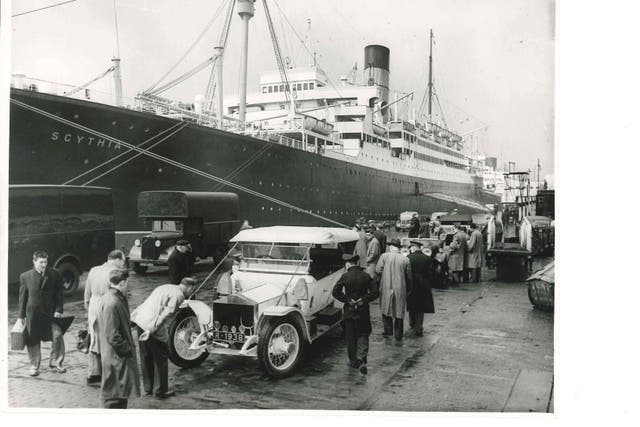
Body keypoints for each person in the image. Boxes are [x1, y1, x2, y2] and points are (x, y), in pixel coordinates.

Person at [131, 277, 197, 399]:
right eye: (193, 290)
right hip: (151, 324)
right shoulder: (178, 295)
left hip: (140, 319)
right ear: (189, 287)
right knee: (161, 356)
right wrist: (153, 329)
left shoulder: (165, 286)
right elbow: (167, 314)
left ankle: (148, 388)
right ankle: (160, 391)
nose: (192, 293)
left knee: (146, 355)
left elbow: (148, 302)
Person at [17, 250, 65, 377]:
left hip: (50, 313)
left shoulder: (55, 274)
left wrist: (59, 310)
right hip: (33, 314)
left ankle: (55, 361)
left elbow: (59, 294)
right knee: (33, 339)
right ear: (34, 262)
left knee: (58, 335)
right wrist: (21, 316)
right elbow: (23, 297)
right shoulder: (25, 276)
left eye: (45, 262)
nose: (43, 265)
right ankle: (34, 366)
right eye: (41, 262)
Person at [98, 269, 140, 409]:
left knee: (120, 392)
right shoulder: (112, 302)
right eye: (127, 282)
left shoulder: (112, 298)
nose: (128, 285)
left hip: (114, 356)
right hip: (116, 357)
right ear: (122, 283)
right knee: (114, 395)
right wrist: (127, 349)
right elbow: (112, 336)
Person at [332, 254, 379, 375]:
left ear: (347, 264)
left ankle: (353, 361)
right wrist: (363, 300)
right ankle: (363, 358)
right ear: (357, 263)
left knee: (351, 336)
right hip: (363, 311)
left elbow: (335, 292)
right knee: (363, 333)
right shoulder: (366, 276)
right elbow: (375, 292)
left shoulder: (345, 276)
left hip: (350, 311)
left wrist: (348, 300)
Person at [84, 249, 126, 385]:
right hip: (109, 305)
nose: (123, 264)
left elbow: (87, 292)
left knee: (94, 338)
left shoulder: (94, 270)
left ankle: (93, 372)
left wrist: (88, 308)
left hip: (93, 305)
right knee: (110, 337)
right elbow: (121, 295)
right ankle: (109, 372)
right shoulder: (118, 274)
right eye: (123, 261)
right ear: (118, 259)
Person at [375, 238, 412, 341]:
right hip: (400, 287)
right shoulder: (405, 259)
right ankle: (398, 334)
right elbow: (409, 276)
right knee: (399, 310)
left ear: (391, 247)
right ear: (398, 248)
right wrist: (409, 288)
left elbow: (378, 270)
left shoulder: (384, 256)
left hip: (386, 285)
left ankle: (388, 330)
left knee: (385, 307)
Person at [406, 241, 435, 337]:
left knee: (411, 306)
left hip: (412, 284)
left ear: (414, 247)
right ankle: (419, 328)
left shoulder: (408, 258)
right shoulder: (427, 258)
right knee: (421, 308)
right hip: (423, 285)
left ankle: (412, 325)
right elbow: (431, 273)